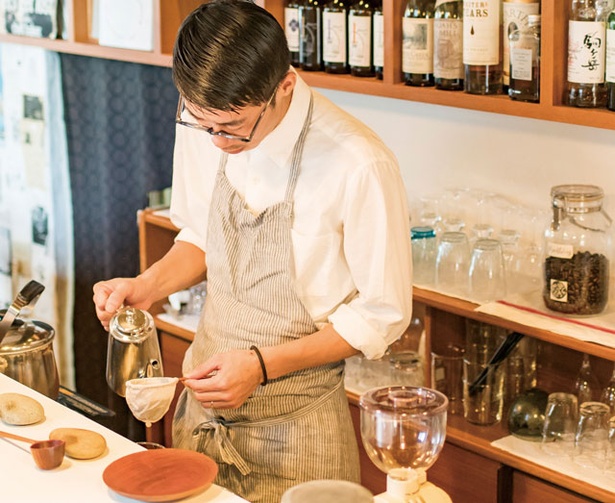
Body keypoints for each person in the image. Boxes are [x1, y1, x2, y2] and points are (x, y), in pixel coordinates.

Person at [93, 1, 412, 501]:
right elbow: (202, 236)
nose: (217, 140)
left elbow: (381, 316)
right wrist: (145, 287)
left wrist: (261, 367)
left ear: (284, 86)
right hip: (203, 415)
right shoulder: (206, 120)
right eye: (202, 122)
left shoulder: (359, 163)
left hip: (300, 430)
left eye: (233, 126)